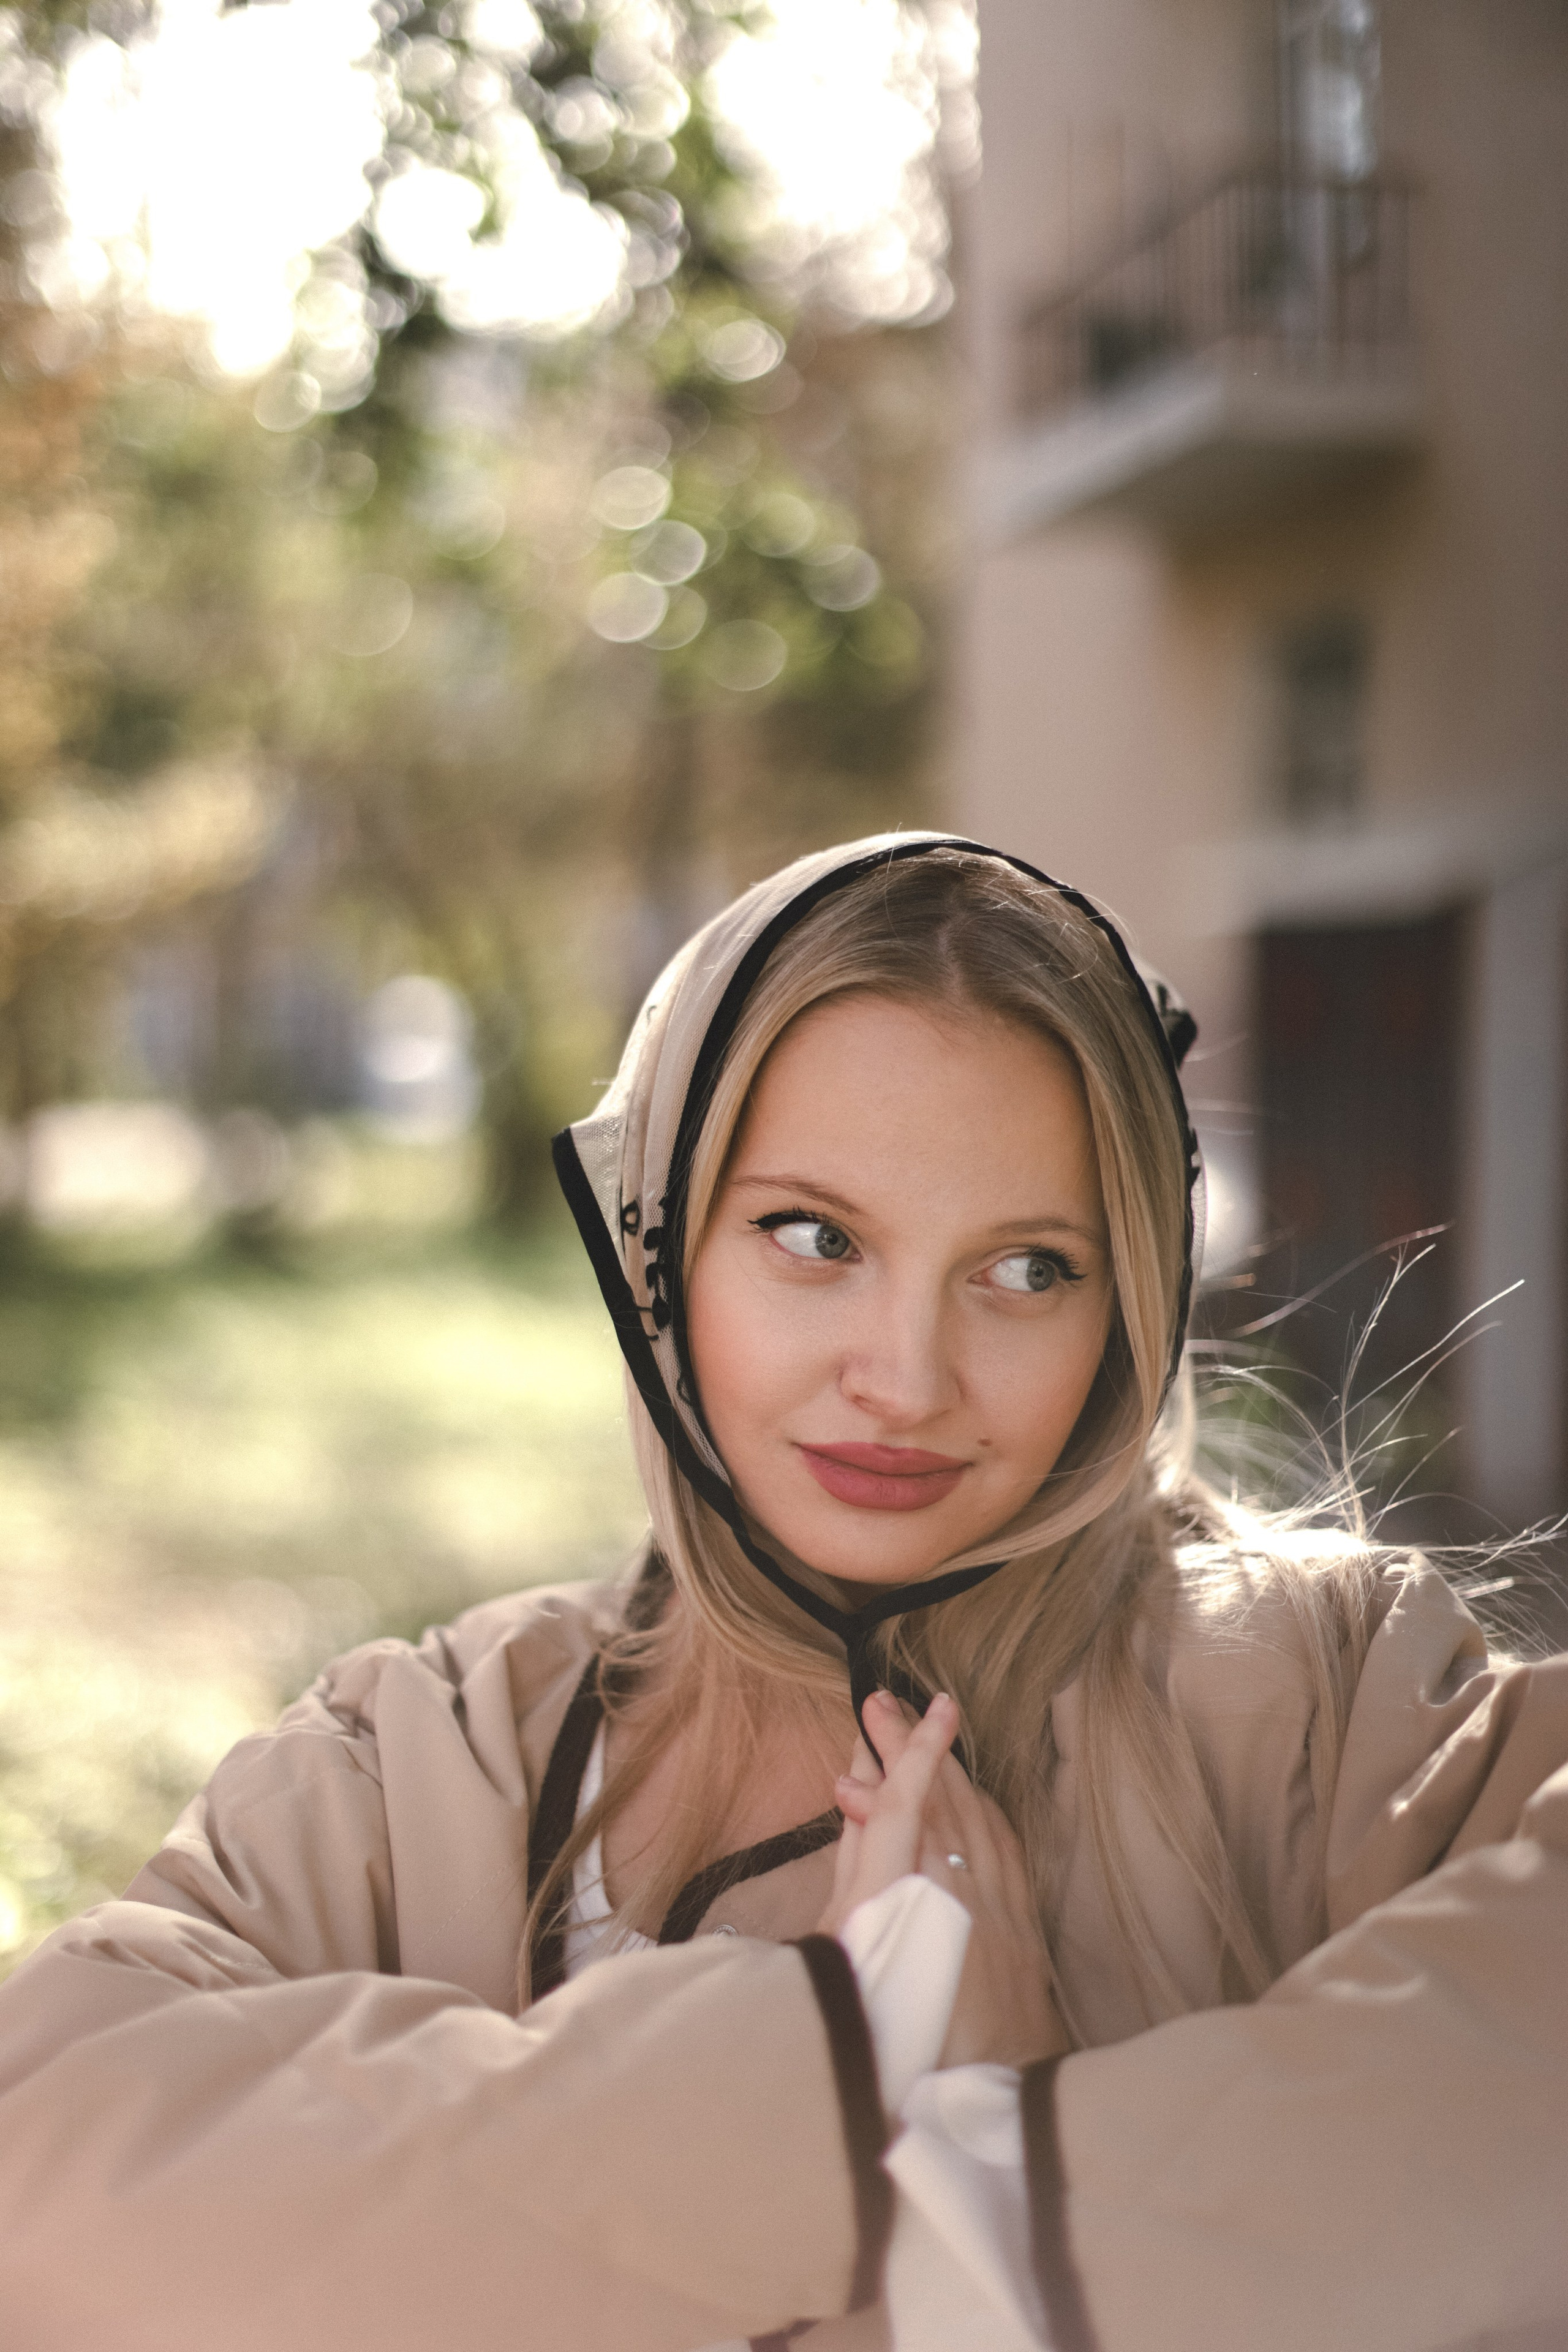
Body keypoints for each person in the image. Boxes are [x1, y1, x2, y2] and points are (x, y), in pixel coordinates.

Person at [0, 832, 1564, 2352]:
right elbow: (51, 2179)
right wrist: (846, 2057)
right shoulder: (420, 1758)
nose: (906, 1377)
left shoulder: (1321, 1698)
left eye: (1027, 1268)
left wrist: (1011, 2180)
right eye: (813, 1238)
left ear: (1130, 1302)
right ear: (657, 1246)